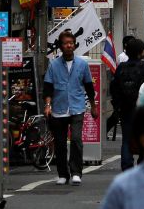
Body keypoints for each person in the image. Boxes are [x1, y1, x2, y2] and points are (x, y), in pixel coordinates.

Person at [44, 30, 98, 186]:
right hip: (58, 108)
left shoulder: (82, 64)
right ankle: (62, 174)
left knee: (75, 139)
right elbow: (48, 87)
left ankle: (76, 172)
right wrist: (47, 105)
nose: (69, 46)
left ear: (74, 45)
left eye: (71, 43)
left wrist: (93, 106)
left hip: (77, 107)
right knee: (60, 143)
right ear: (61, 46)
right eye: (65, 43)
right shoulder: (53, 65)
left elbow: (89, 86)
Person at [111, 37, 144, 171]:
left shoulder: (121, 68)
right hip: (143, 110)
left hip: (125, 109)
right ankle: (142, 165)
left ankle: (127, 167)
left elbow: (114, 87)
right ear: (141, 52)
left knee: (127, 139)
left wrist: (117, 105)